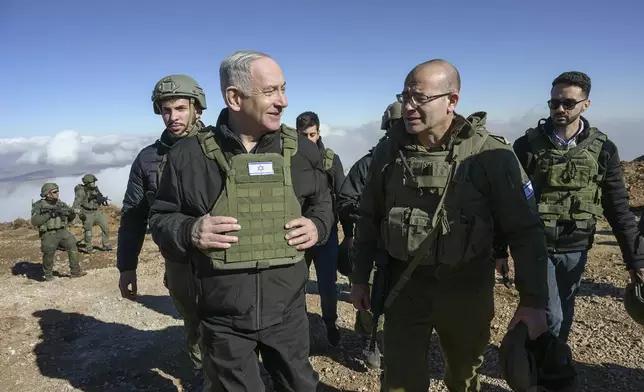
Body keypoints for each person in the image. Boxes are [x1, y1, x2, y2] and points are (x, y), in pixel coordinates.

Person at [349, 59, 549, 391]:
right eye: (405, 96)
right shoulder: (389, 152)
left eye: (419, 98)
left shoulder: (490, 155)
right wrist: (359, 279)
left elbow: (525, 230)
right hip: (405, 287)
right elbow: (368, 218)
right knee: (400, 378)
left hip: (466, 289)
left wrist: (532, 301)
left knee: (463, 374)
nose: (408, 106)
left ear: (451, 101)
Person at [148, 50, 334, 392]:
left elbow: (322, 202)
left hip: (288, 312)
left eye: (283, 89)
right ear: (234, 97)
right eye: (270, 91)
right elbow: (161, 217)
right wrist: (190, 230)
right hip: (222, 318)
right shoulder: (188, 156)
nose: (283, 101)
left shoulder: (303, 152)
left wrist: (318, 226)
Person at [496, 71, 644, 343]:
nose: (560, 109)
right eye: (554, 103)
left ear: (585, 104)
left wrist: (635, 259)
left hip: (576, 245)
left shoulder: (603, 149)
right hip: (536, 244)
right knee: (551, 314)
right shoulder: (527, 146)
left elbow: (618, 207)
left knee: (564, 308)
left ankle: (549, 359)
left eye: (568, 103)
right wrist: (499, 249)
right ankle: (543, 373)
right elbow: (507, 201)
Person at [116, 74, 207, 386]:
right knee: (194, 326)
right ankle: (200, 376)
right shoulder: (149, 159)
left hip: (227, 260)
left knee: (236, 328)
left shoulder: (223, 150)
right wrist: (127, 266)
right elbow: (133, 216)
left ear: (197, 108)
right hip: (180, 262)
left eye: (181, 108)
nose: (173, 117)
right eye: (166, 110)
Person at [336, 100, 402, 367]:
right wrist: (370, 218)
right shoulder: (368, 164)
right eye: (395, 126)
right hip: (373, 246)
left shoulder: (421, 161)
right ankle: (370, 337)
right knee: (372, 295)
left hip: (408, 248)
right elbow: (345, 200)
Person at [296, 110, 348, 347]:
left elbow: (343, 196)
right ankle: (300, 328)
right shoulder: (291, 161)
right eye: (303, 135)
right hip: (297, 234)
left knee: (328, 285)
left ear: (319, 132)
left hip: (326, 234)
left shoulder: (329, 159)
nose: (308, 140)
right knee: (296, 285)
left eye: (312, 134)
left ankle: (330, 324)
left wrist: (350, 235)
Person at [31, 183, 86, 281]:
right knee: (49, 252)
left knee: (72, 244)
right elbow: (34, 221)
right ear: (47, 194)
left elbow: (70, 219)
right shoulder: (39, 205)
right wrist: (49, 215)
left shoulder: (60, 204)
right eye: (54, 192)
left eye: (57, 191)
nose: (57, 193)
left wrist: (71, 213)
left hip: (62, 231)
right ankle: (48, 275)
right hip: (48, 233)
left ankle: (75, 272)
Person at [72, 174, 112, 253]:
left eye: (94, 182)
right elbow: (75, 206)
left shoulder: (95, 189)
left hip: (97, 211)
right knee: (88, 232)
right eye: (92, 182)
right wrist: (80, 214)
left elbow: (99, 196)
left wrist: (101, 200)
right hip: (87, 213)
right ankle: (89, 248)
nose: (94, 183)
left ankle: (106, 244)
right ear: (87, 182)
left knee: (106, 228)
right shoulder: (81, 191)